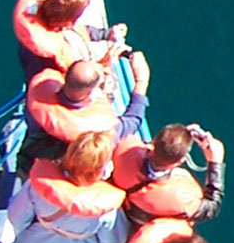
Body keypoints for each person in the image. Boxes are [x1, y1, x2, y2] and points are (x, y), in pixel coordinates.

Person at [21, 55, 149, 163]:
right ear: (90, 93)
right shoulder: (100, 127)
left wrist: (101, 65)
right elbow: (133, 121)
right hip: (64, 162)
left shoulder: (40, 87)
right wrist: (141, 81)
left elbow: (79, 81)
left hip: (33, 152)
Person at [112, 123, 226, 227]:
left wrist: (178, 137)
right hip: (138, 222)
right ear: (180, 161)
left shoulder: (126, 146)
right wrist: (215, 162)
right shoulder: (181, 198)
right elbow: (212, 208)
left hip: (125, 206)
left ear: (155, 142)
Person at [13, 0, 128, 78]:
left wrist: (106, 33)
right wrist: (104, 64)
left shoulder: (35, 10)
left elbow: (81, 30)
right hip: (55, 80)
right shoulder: (47, 58)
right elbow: (75, 81)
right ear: (70, 21)